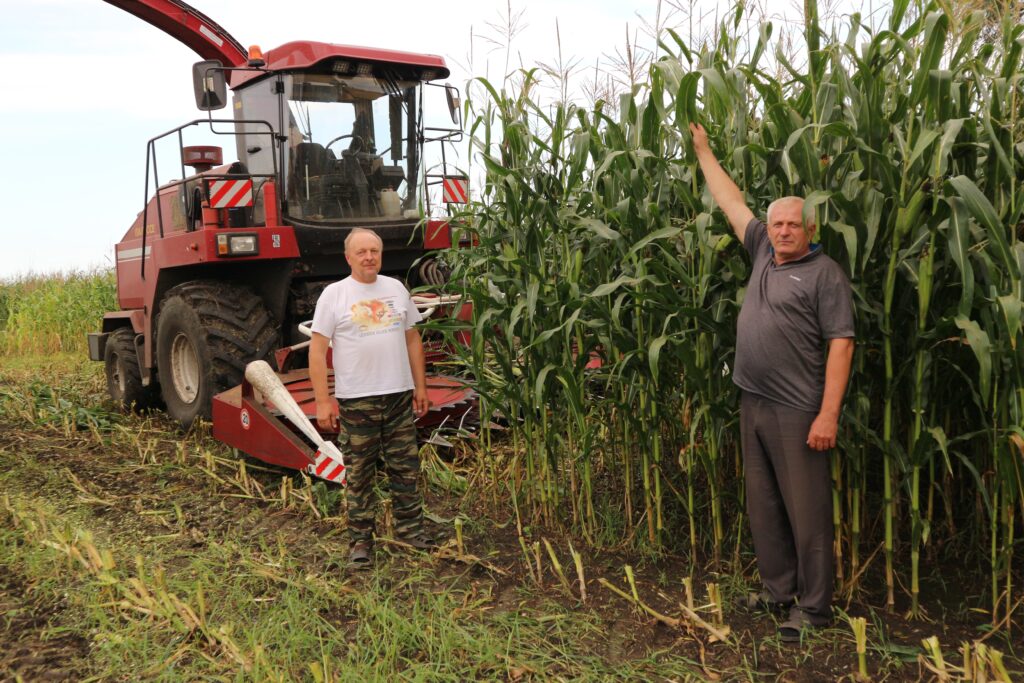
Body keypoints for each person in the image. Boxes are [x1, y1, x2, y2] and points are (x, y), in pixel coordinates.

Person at [689, 122, 855, 642]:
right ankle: (777, 591)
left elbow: (842, 344)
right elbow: (730, 201)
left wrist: (828, 414)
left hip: (798, 409)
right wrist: (704, 152)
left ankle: (813, 608)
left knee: (806, 512)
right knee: (763, 503)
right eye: (776, 222)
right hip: (752, 400)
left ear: (809, 229)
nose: (782, 230)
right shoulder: (761, 248)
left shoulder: (824, 273)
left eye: (792, 225)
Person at [309, 227, 435, 568]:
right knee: (360, 473)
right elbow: (318, 352)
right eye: (361, 252)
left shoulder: (395, 289)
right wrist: (323, 401)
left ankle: (410, 530)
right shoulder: (334, 296)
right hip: (358, 400)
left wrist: (420, 387)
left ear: (381, 255)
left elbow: (412, 340)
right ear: (348, 257)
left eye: (374, 251)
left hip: (398, 396)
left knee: (405, 468)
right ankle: (361, 541)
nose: (369, 257)